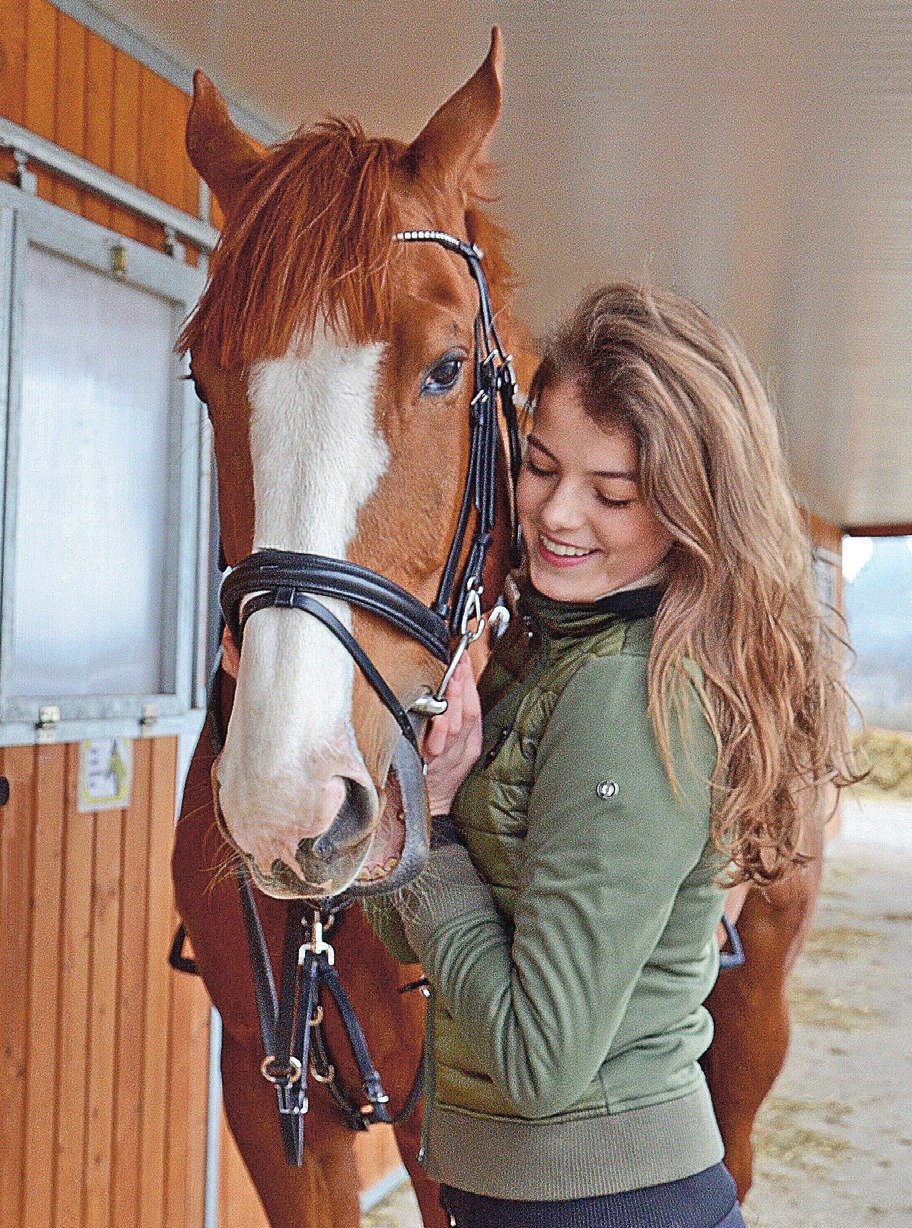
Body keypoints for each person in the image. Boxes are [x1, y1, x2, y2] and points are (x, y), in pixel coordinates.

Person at [367, 282, 857, 1228]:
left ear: (688, 507)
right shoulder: (545, 648)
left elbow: (538, 1062)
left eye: (613, 493)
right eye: (542, 468)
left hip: (603, 1204)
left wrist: (431, 819)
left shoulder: (624, 696)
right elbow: (408, 931)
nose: (558, 515)